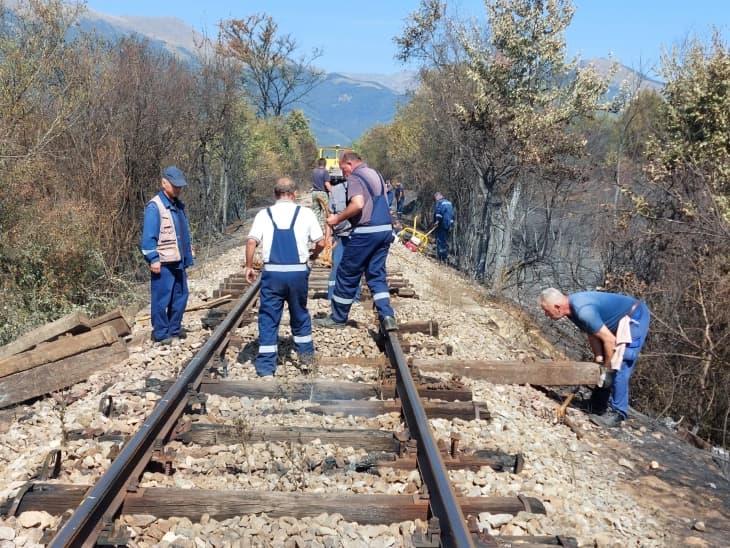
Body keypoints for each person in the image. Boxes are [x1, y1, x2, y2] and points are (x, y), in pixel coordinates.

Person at [245, 177, 324, 377]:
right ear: (294, 194)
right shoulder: (305, 213)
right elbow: (321, 242)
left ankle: (265, 368)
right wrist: (312, 256)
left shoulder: (264, 214)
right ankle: (306, 360)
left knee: (269, 317)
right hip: (298, 272)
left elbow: (251, 242)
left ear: (275, 194)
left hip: (273, 274)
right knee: (300, 314)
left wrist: (248, 266)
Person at [539, 288, 651, 427]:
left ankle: (618, 414)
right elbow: (592, 332)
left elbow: (609, 340)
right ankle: (598, 405)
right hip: (619, 321)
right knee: (605, 363)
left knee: (620, 362)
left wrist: (608, 370)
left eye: (546, 310)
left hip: (635, 315)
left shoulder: (583, 310)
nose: (545, 314)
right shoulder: (571, 311)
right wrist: (599, 357)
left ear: (557, 307)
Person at [315, 151, 396, 331]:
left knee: (347, 272)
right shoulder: (376, 174)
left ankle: (338, 318)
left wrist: (337, 219)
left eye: (343, 169)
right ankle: (388, 316)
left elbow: (358, 204)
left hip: (366, 230)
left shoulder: (355, 177)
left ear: (349, 164)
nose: (344, 173)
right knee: (376, 274)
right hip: (384, 229)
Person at [140, 166, 194, 345]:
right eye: (175, 185)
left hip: (179, 260)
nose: (178, 189)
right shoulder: (155, 206)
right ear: (164, 183)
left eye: (180, 186)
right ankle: (162, 335)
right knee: (161, 299)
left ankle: (174, 330)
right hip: (163, 262)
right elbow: (148, 236)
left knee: (180, 297)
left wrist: (188, 251)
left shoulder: (178, 206)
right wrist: (153, 258)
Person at [325, 178, 361, 303]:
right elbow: (329, 216)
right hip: (340, 236)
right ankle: (331, 296)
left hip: (357, 235)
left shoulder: (362, 188)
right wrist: (328, 237)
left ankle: (355, 298)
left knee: (354, 267)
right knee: (337, 266)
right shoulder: (336, 191)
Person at [433, 192, 455, 262]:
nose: (435, 199)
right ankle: (445, 255)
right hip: (448, 225)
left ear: (438, 196)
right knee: (445, 240)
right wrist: (451, 224)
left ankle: (441, 257)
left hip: (441, 224)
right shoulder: (449, 203)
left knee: (440, 240)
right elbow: (452, 214)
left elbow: (439, 213)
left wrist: (437, 221)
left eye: (435, 198)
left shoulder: (440, 203)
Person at [311, 158, 330, 229]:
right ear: (325, 164)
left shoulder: (314, 171)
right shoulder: (325, 172)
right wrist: (332, 191)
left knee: (316, 211)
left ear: (318, 164)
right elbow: (327, 183)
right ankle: (324, 228)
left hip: (314, 193)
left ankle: (316, 228)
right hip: (322, 193)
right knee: (326, 211)